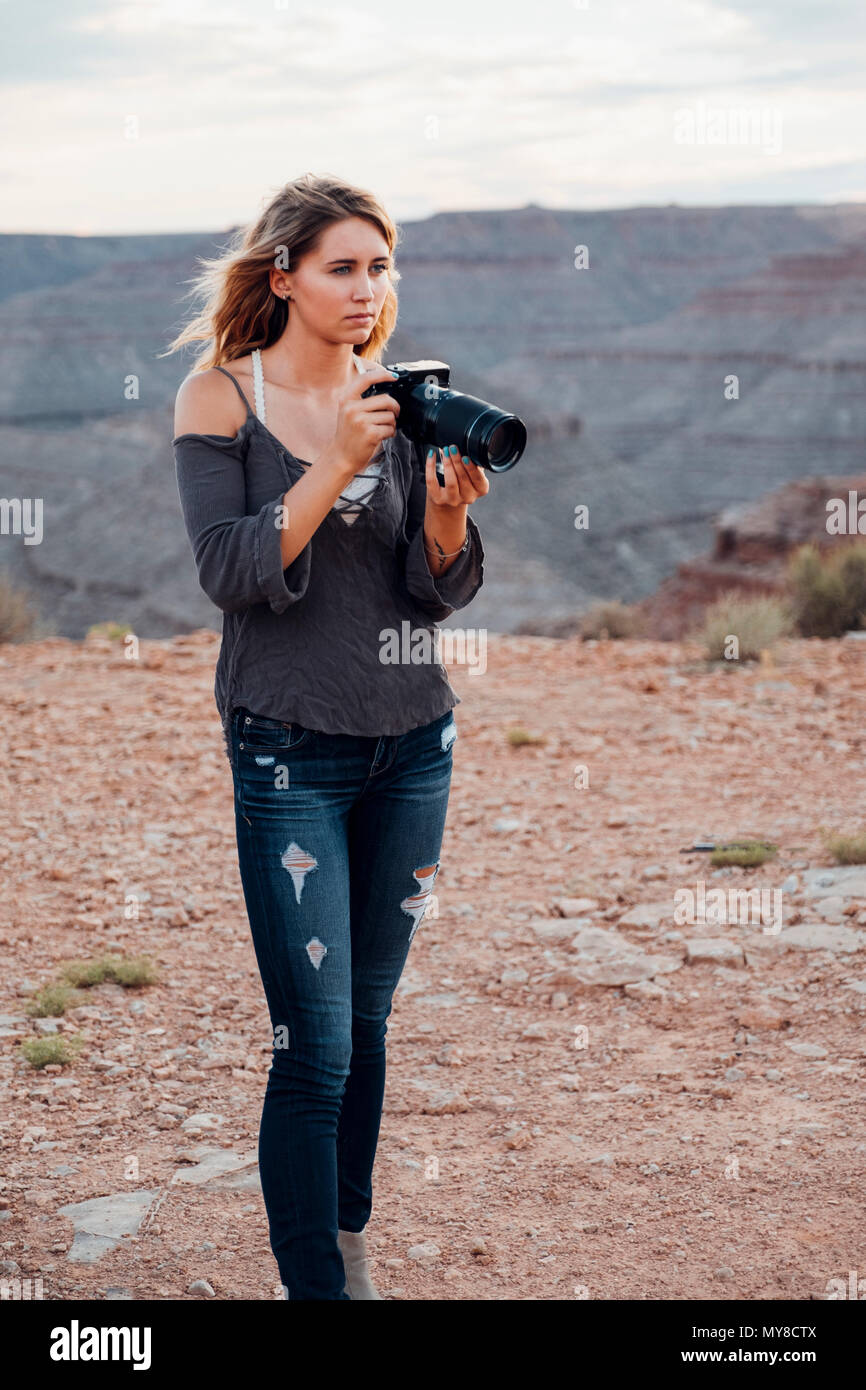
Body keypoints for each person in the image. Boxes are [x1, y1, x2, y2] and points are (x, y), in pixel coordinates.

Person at [164, 173, 487, 1300]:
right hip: (289, 751)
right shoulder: (221, 400)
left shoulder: (393, 397)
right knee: (317, 1048)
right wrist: (339, 460)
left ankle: (347, 1245)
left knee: (368, 1018)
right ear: (284, 275)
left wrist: (443, 518)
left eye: (381, 266)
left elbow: (427, 596)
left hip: (413, 747)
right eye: (343, 266)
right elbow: (233, 570)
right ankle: (317, 1287)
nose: (367, 288)